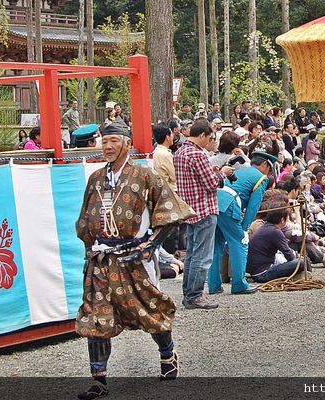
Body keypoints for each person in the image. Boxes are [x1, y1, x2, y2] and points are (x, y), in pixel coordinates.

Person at [74, 121, 194, 399]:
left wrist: (150, 246)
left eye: (113, 141)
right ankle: (99, 379)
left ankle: (167, 353)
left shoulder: (145, 175)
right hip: (102, 260)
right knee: (96, 317)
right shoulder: (95, 179)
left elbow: (172, 213)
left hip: (134, 257)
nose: (107, 147)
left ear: (127, 143)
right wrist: (89, 250)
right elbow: (84, 223)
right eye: (104, 141)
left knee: (150, 310)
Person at [174, 118, 234, 310]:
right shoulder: (197, 154)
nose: (209, 141)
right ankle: (195, 295)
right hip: (204, 209)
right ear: (202, 135)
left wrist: (212, 170)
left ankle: (188, 292)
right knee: (202, 255)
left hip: (189, 209)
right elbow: (211, 184)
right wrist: (222, 172)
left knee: (192, 253)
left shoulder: (180, 151)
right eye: (209, 137)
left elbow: (198, 178)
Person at [207, 151, 277, 295]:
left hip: (214, 202)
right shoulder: (261, 178)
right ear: (264, 165)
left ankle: (213, 284)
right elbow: (253, 206)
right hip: (229, 204)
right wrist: (245, 228)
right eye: (268, 168)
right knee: (240, 242)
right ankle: (239, 284)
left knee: (216, 245)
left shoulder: (242, 172)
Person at [247, 205, 310, 282]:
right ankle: (307, 276)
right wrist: (297, 262)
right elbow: (289, 255)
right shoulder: (275, 231)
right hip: (263, 273)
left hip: (256, 272)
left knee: (299, 261)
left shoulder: (265, 227)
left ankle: (301, 275)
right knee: (303, 262)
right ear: (282, 220)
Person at [153, 123, 177, 192]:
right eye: (171, 134)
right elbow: (174, 177)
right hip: (171, 189)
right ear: (167, 137)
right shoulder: (166, 154)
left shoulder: (157, 150)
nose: (173, 136)